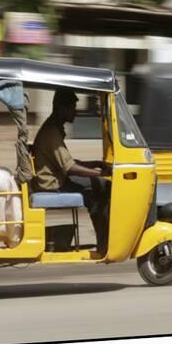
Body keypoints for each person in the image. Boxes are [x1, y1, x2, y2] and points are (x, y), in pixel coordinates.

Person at [31, 89, 112, 254]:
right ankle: (105, 243)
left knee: (100, 185)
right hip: (52, 185)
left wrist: (95, 164)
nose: (75, 111)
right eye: (73, 107)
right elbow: (70, 168)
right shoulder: (52, 132)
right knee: (103, 187)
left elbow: (67, 162)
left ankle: (105, 240)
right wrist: (100, 174)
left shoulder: (54, 129)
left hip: (57, 180)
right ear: (62, 108)